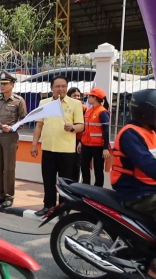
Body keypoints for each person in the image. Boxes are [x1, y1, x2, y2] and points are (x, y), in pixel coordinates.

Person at [110, 89, 156, 279]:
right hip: (136, 192)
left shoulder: (151, 130)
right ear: (145, 114)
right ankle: (155, 270)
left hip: (150, 187)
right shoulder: (131, 134)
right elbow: (147, 164)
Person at [31, 76, 84, 216]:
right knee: (48, 179)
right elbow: (39, 125)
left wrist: (72, 127)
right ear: (51, 88)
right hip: (48, 148)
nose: (61, 89)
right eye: (58, 86)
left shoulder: (75, 104)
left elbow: (81, 126)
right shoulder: (44, 102)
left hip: (66, 150)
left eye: (63, 86)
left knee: (64, 181)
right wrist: (34, 144)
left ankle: (63, 209)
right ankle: (48, 206)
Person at [0, 73, 27, 207]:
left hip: (10, 137)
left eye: (5, 83)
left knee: (9, 168)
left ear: (12, 84)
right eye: (1, 83)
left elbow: (23, 120)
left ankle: (9, 196)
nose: (2, 86)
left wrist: (11, 128)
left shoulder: (18, 100)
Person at [79, 87, 110, 187]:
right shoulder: (88, 111)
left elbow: (106, 131)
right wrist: (81, 142)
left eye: (90, 96)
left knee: (98, 169)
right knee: (84, 167)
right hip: (86, 144)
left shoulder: (102, 112)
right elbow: (85, 129)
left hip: (98, 146)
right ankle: (86, 187)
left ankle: (98, 190)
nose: (88, 98)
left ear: (96, 98)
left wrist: (105, 148)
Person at [68, 87, 85, 182]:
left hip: (78, 140)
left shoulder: (84, 109)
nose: (77, 98)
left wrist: (81, 141)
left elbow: (85, 127)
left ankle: (74, 185)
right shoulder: (65, 108)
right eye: (75, 96)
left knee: (76, 163)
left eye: (79, 96)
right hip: (66, 139)